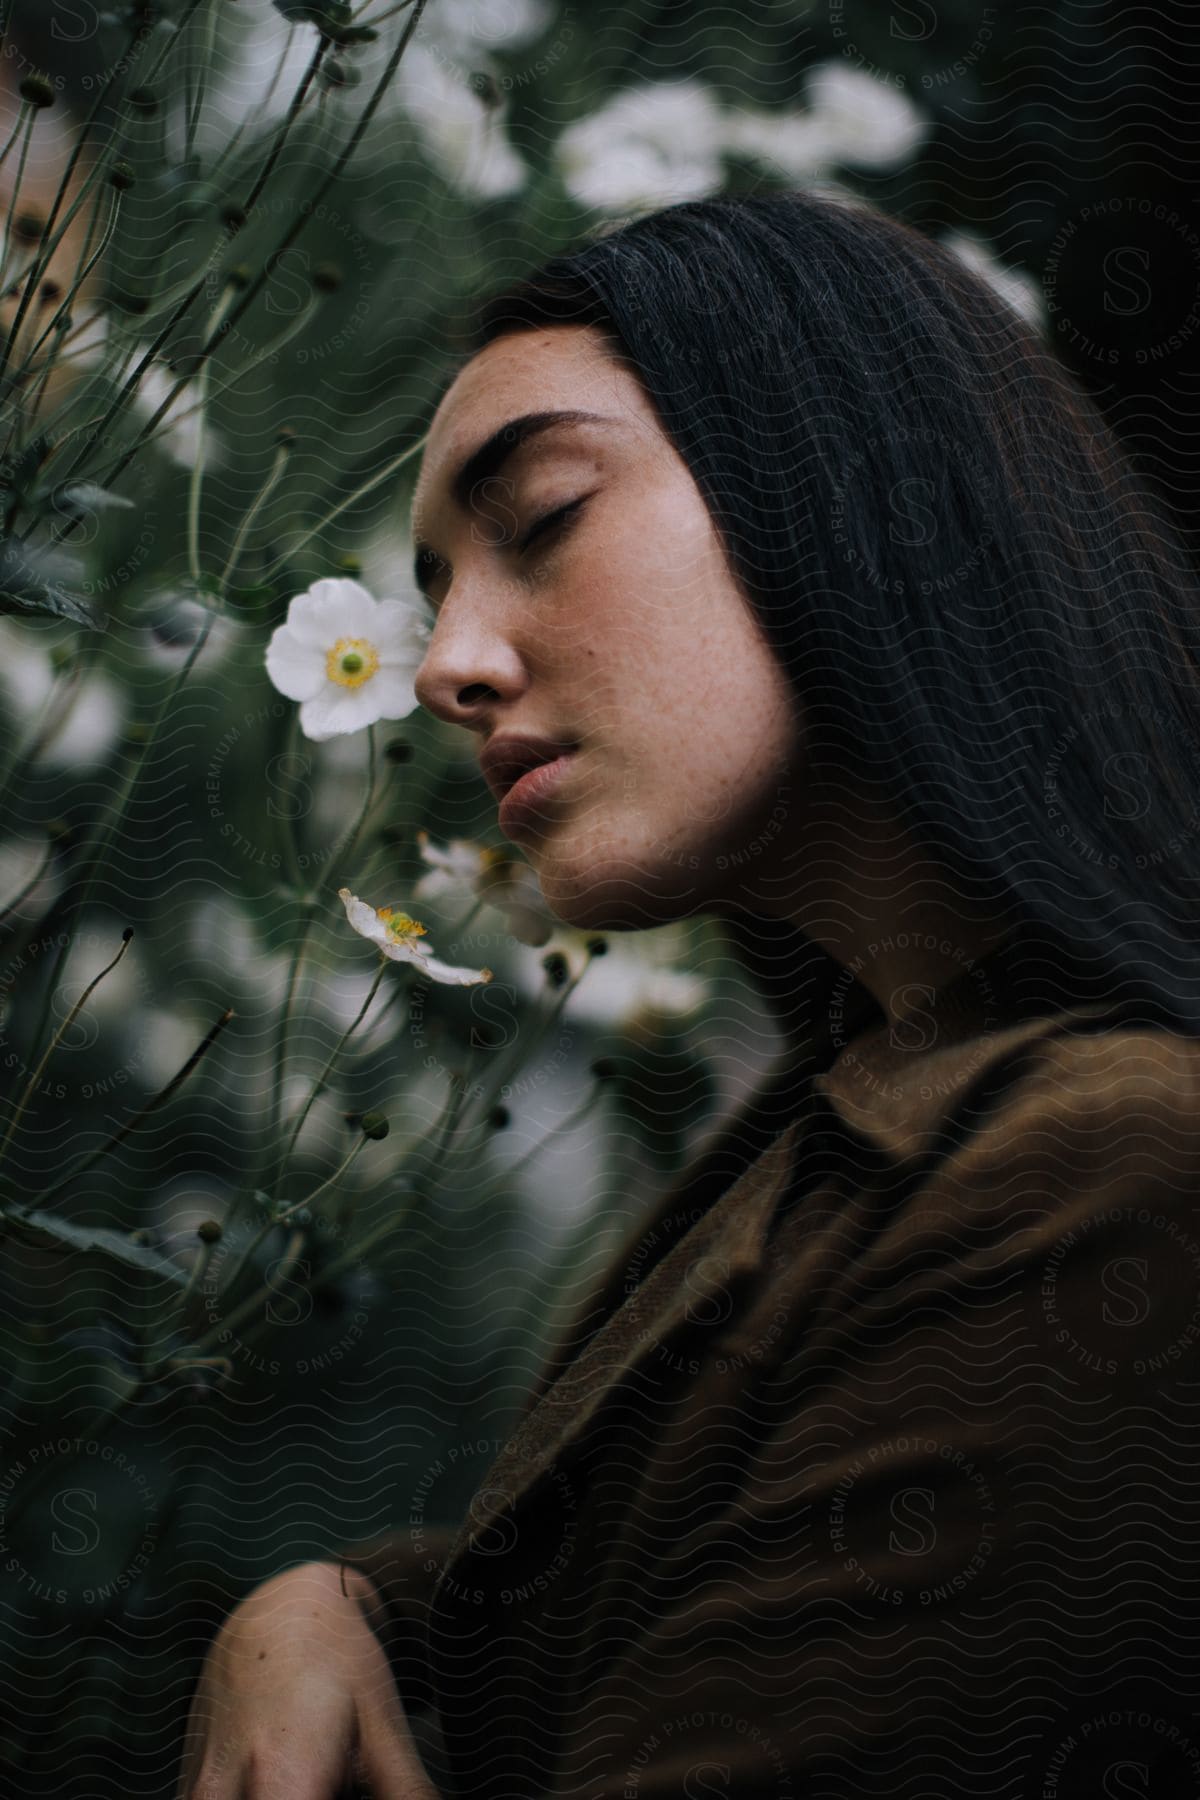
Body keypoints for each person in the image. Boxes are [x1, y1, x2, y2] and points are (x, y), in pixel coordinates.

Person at [176, 190, 1200, 1799]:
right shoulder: (863, 1114)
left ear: (849, 486)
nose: (445, 662)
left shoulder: (1110, 1174)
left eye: (546, 519)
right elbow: (617, 1566)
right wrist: (334, 1602)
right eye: (438, 583)